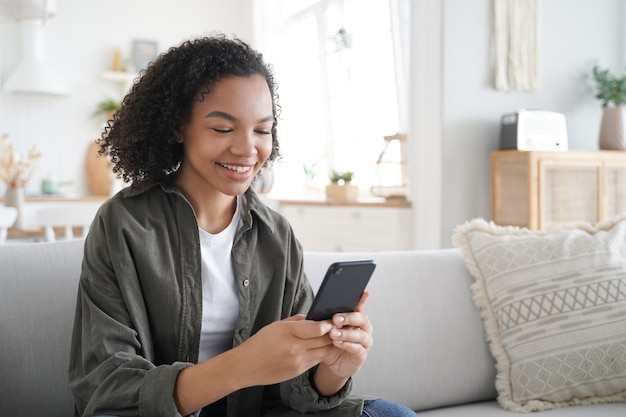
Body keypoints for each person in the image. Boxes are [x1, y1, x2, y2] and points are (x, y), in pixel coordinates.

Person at [68, 33, 416, 417]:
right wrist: (243, 364)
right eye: (222, 129)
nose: (248, 149)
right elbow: (105, 386)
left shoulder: (276, 235)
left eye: (262, 130)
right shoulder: (123, 225)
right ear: (177, 127)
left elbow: (296, 393)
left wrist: (332, 372)